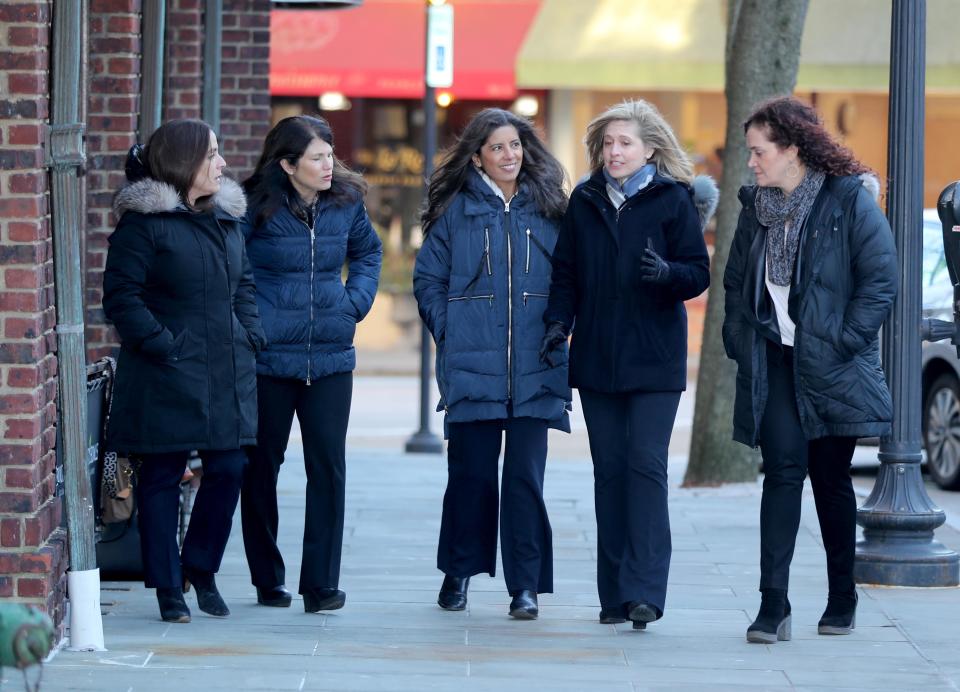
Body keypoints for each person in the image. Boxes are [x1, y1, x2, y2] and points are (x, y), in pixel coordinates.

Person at [722, 96, 897, 644]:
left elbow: (880, 280)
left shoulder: (847, 200)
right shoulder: (756, 208)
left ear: (792, 149)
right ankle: (772, 604)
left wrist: (844, 340)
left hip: (833, 364)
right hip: (775, 358)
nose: (751, 162)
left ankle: (841, 595)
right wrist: (737, 336)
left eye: (759, 152)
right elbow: (733, 283)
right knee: (782, 473)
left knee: (829, 479)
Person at [541, 99, 715, 630]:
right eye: (608, 143)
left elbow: (696, 272)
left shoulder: (672, 200)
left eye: (625, 143)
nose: (614, 152)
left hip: (655, 361)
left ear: (650, 149)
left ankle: (645, 592)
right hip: (596, 360)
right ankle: (614, 596)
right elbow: (566, 273)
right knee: (610, 474)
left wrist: (667, 273)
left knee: (645, 467)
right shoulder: (585, 200)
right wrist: (556, 325)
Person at [103, 119, 266, 623]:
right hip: (165, 372)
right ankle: (168, 588)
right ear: (183, 162)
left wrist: (250, 333)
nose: (221, 163)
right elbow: (121, 298)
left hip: (225, 368)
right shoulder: (143, 226)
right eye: (211, 154)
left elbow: (243, 287)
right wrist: (163, 345)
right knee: (162, 476)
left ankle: (201, 567)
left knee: (230, 467)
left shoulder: (226, 222)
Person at [413, 108, 571, 619]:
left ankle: (524, 586)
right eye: (498, 147)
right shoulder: (457, 210)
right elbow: (428, 279)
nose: (510, 155)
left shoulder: (549, 207)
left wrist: (561, 326)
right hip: (471, 366)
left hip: (537, 364)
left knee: (525, 478)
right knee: (472, 476)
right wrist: (451, 329)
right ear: (477, 154)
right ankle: (458, 572)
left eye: (516, 145)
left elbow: (571, 279)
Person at [241, 116, 382, 613]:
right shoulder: (252, 206)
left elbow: (368, 252)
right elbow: (233, 271)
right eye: (317, 157)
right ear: (287, 163)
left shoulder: (345, 202)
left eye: (330, 154)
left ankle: (321, 584)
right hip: (269, 358)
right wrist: (253, 322)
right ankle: (267, 577)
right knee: (261, 468)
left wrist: (354, 302)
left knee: (328, 468)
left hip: (330, 356)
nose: (329, 165)